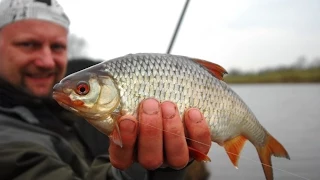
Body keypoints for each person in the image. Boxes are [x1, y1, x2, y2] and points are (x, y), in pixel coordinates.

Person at [0, 0, 212, 179]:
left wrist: (167, 166)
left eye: (57, 47)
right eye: (28, 44)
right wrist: (140, 168)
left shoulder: (62, 111)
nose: (46, 61)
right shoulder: (7, 142)